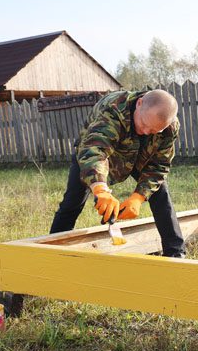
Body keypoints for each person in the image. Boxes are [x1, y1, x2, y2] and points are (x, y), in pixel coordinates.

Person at [50, 89, 186, 258]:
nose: (145, 131)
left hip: (139, 156)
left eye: (153, 131)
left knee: (161, 196)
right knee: (72, 202)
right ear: (139, 103)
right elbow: (95, 151)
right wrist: (100, 189)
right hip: (92, 154)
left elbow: (159, 166)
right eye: (143, 124)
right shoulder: (113, 110)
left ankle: (175, 253)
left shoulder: (169, 127)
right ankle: (52, 252)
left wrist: (139, 197)